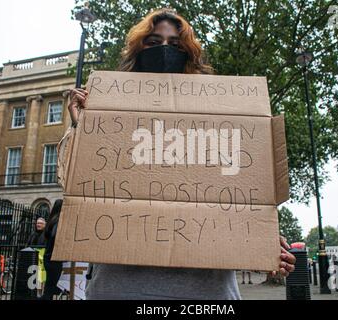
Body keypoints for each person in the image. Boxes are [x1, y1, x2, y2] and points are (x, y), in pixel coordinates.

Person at [68, 8, 296, 300]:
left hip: (207, 294)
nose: (164, 51)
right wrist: (81, 127)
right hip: (121, 288)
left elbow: (240, 195)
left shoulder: (223, 113)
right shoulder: (100, 111)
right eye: (153, 42)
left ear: (188, 54)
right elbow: (80, 192)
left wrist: (260, 241)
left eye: (175, 45)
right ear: (137, 51)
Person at [41, 199, 64, 300]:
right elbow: (55, 236)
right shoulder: (58, 220)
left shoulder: (51, 220)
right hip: (54, 258)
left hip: (48, 257)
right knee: (50, 288)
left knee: (49, 286)